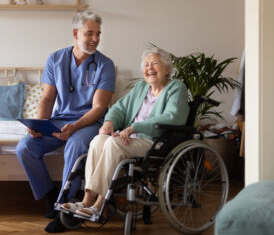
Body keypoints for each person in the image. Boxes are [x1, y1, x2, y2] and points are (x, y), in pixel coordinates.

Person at [60, 47, 189, 221]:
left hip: (155, 142)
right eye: (146, 64)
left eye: (155, 63)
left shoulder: (176, 88)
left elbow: (173, 117)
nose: (149, 68)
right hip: (130, 139)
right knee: (99, 140)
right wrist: (109, 123)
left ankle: (99, 205)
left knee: (113, 144)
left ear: (167, 68)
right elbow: (119, 108)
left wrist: (135, 128)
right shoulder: (141, 87)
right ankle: (86, 200)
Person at [15, 11, 116, 233]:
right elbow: (47, 98)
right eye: (90, 33)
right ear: (75, 33)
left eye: (98, 34)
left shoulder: (105, 65)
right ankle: (49, 194)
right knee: (25, 147)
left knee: (76, 145)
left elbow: (99, 107)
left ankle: (66, 208)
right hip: (60, 120)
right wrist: (38, 125)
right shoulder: (56, 59)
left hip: (90, 122)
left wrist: (75, 127)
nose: (95, 39)